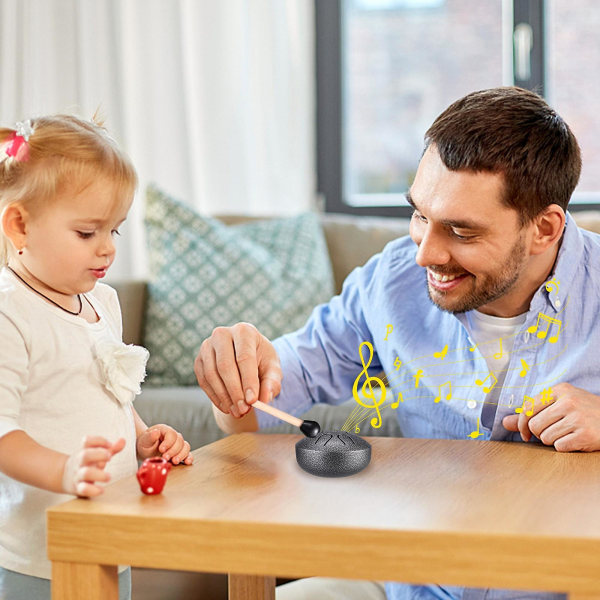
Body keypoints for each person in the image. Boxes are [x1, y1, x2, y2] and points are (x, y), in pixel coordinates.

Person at [194, 86, 600, 600]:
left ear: (544, 228)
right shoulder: (389, 283)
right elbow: (259, 408)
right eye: (420, 216)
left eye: (461, 231)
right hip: (413, 585)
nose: (426, 254)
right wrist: (236, 372)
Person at [0, 115, 193, 600]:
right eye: (87, 233)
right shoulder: (10, 310)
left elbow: (109, 392)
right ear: (19, 224)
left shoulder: (102, 301)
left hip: (109, 532)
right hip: (39, 554)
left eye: (115, 231)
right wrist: (64, 471)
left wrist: (143, 436)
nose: (107, 248)